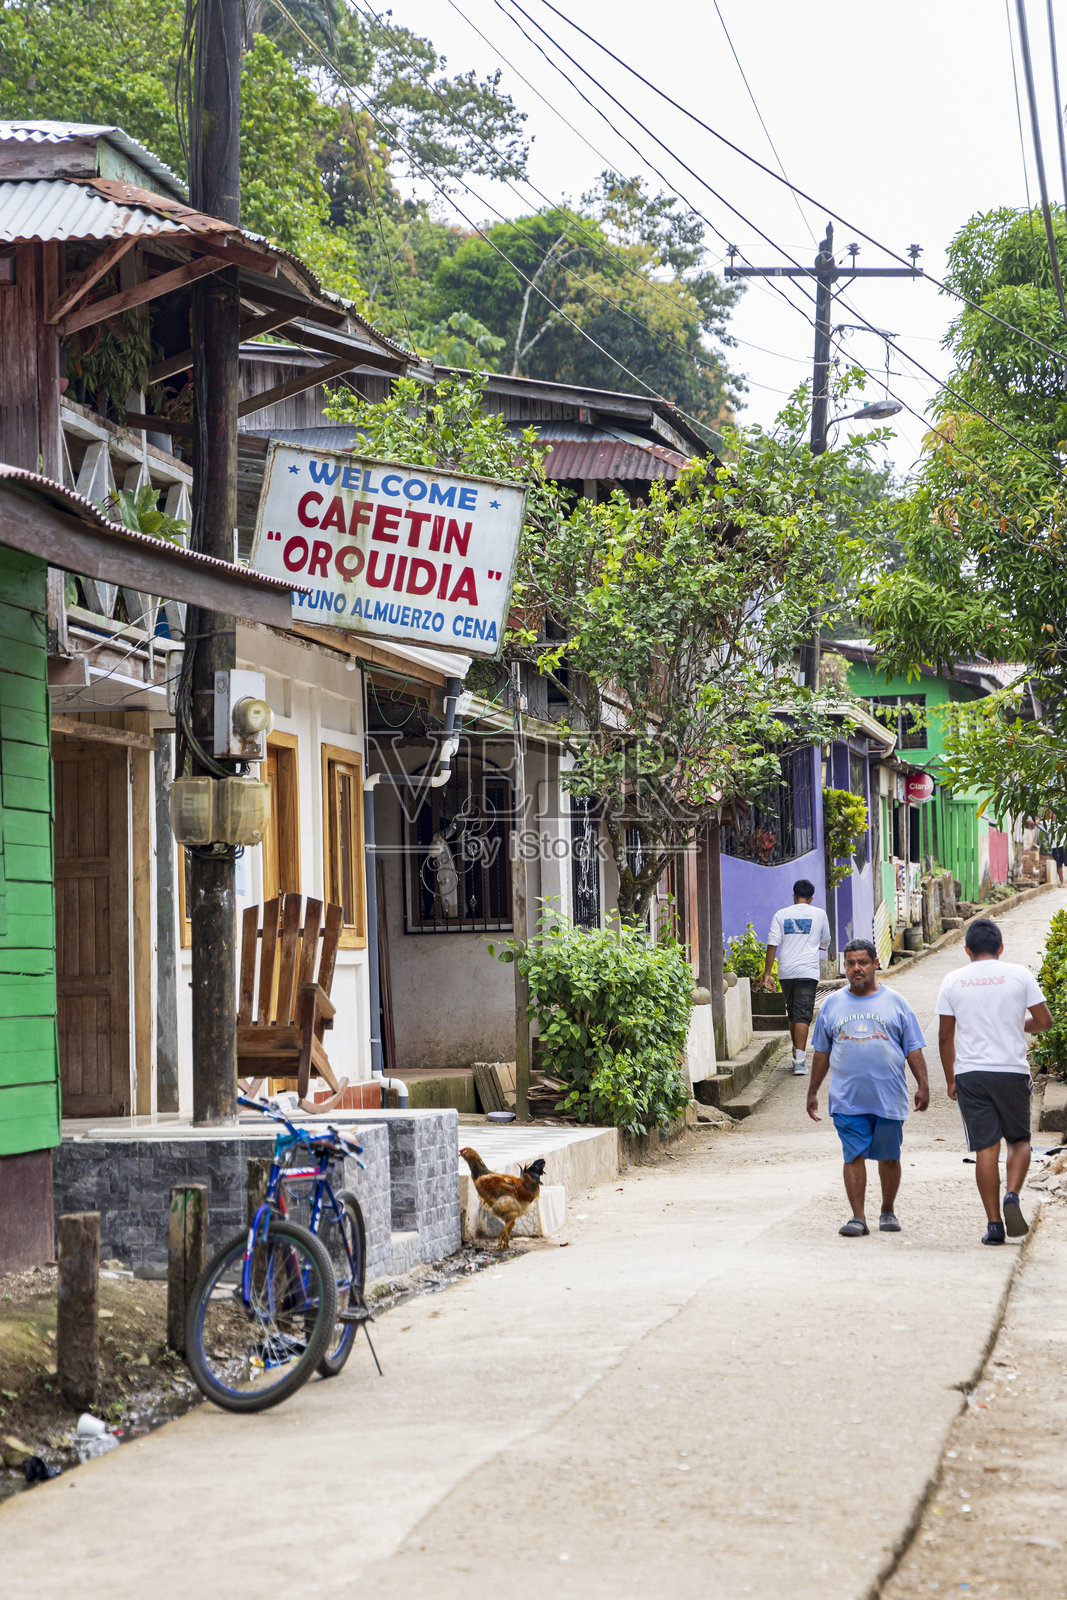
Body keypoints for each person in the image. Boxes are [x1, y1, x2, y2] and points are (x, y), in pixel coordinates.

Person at [936, 918, 1052, 1245]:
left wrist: (950, 1079)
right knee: (1019, 1141)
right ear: (1001, 947)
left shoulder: (953, 980)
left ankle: (994, 1225)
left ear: (967, 949)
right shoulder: (1019, 975)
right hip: (1012, 1071)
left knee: (986, 1148)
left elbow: (945, 1037)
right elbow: (1044, 1021)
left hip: (971, 1073)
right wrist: (1016, 1024)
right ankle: (1012, 1195)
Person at [808, 939, 929, 1237]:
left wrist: (923, 1085)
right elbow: (821, 1053)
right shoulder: (832, 1005)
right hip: (847, 1098)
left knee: (889, 1156)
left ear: (876, 963)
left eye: (862, 962)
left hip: (888, 1097)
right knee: (853, 1155)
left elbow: (913, 1048)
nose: (857, 969)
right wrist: (812, 1091)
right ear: (845, 967)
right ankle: (858, 1218)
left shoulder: (897, 1002)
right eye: (850, 964)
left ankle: (887, 1210)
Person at [763, 879, 832, 1075]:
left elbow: (772, 944)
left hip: (786, 971)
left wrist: (767, 974)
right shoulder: (819, 914)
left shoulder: (781, 914)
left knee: (793, 1012)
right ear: (811, 898)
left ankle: (796, 1050)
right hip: (808, 971)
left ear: (794, 896)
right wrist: (809, 944)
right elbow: (825, 942)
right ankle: (799, 1061)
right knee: (802, 1014)